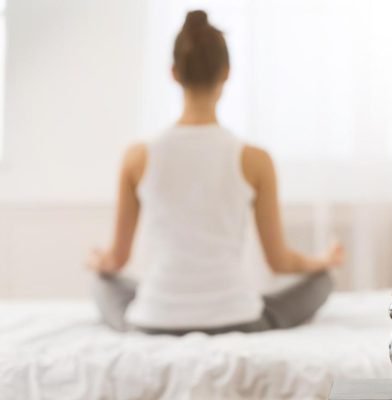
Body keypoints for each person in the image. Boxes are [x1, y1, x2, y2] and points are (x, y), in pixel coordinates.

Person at [87, 10, 344, 335]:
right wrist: (322, 262)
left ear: (173, 72)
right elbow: (279, 261)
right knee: (323, 282)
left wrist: (98, 262)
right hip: (238, 318)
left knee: (101, 282)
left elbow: (116, 260)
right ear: (226, 73)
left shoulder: (137, 157)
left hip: (153, 320)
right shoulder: (255, 160)